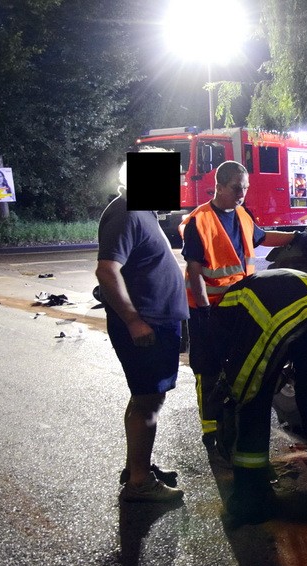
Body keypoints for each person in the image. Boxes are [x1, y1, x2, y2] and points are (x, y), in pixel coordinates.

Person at [210, 268, 307, 524]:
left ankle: (251, 500)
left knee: (252, 405)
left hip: (285, 322)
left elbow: (236, 370)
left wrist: (237, 390)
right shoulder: (257, 287)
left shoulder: (224, 312)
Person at [181, 161, 297, 451]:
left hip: (238, 306)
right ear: (218, 186)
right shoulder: (200, 220)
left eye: (245, 188)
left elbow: (263, 236)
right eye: (236, 188)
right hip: (207, 310)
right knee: (207, 370)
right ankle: (210, 431)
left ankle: (229, 424)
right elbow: (194, 270)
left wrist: (298, 237)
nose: (242, 194)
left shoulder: (243, 215)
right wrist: (206, 311)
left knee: (237, 367)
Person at [95, 162, 188, 503]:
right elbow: (107, 271)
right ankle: (139, 482)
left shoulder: (140, 211)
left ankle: (138, 466)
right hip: (146, 324)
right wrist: (134, 321)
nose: (176, 186)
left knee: (143, 398)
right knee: (149, 401)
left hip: (155, 321)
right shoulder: (128, 214)